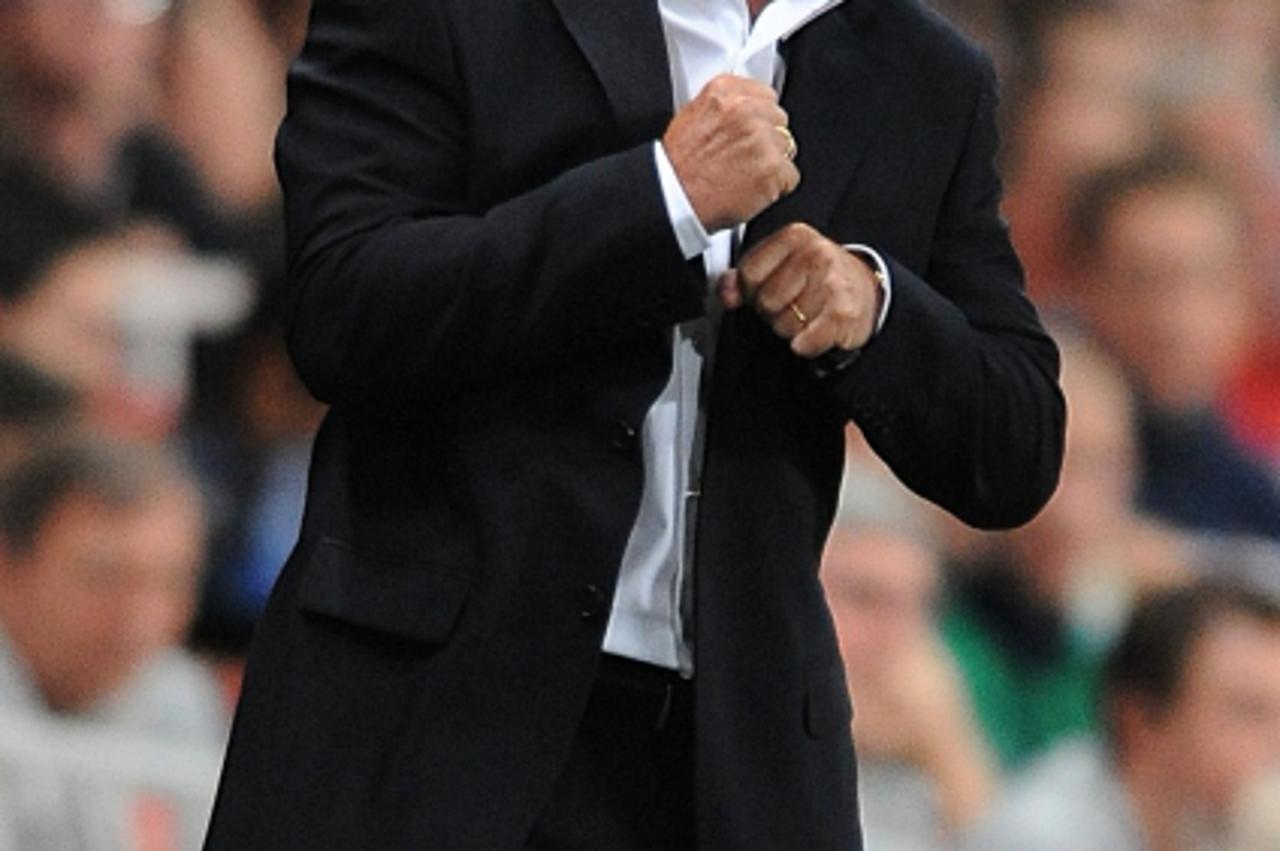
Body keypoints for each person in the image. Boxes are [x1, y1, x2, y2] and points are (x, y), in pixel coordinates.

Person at [205, 0, 1065, 848]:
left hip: (736, 762)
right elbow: (345, 308)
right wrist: (661, 200)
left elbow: (1014, 448)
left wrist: (876, 310)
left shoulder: (926, 69)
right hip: (427, 717)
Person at [0, 437, 228, 850]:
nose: (139, 617)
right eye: (103, 577)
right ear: (7, 569)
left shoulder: (179, 696)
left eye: (170, 582)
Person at [962, 579, 1280, 851]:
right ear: (1140, 721)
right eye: (1250, 712)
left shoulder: (1211, 829)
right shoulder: (1044, 837)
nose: (1275, 743)